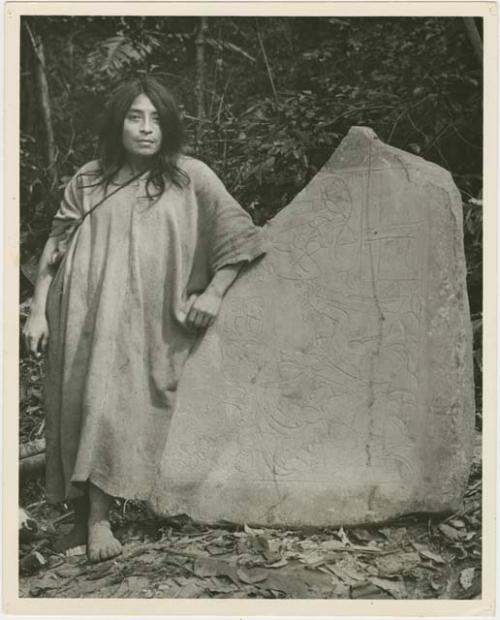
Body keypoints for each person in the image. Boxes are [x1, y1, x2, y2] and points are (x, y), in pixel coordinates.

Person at [22, 76, 268, 563]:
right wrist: (37, 309)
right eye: (136, 117)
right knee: (79, 402)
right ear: (119, 123)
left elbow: (242, 237)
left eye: (156, 118)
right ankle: (88, 516)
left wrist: (215, 293)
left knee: (117, 404)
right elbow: (56, 243)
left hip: (147, 320)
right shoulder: (89, 179)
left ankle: (103, 515)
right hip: (81, 313)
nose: (146, 128)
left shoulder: (189, 177)